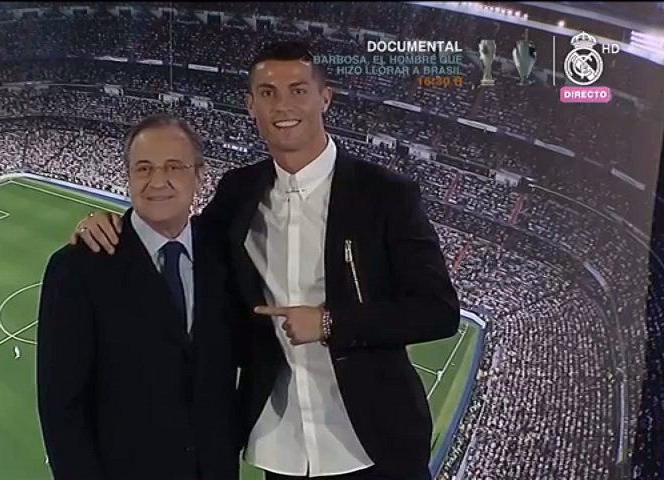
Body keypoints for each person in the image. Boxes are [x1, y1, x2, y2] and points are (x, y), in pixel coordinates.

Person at [70, 41, 460, 480]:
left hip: (373, 442)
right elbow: (180, 236)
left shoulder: (386, 194)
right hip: (281, 444)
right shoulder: (238, 191)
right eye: (268, 93)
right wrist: (111, 225)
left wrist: (330, 322)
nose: (283, 106)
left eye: (298, 90)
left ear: (324, 98)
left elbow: (438, 312)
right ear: (250, 105)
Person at [37, 114, 241, 480]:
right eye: (143, 168)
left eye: (174, 167)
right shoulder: (77, 268)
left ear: (200, 175)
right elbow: (61, 409)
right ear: (128, 176)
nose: (158, 181)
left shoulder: (223, 252)